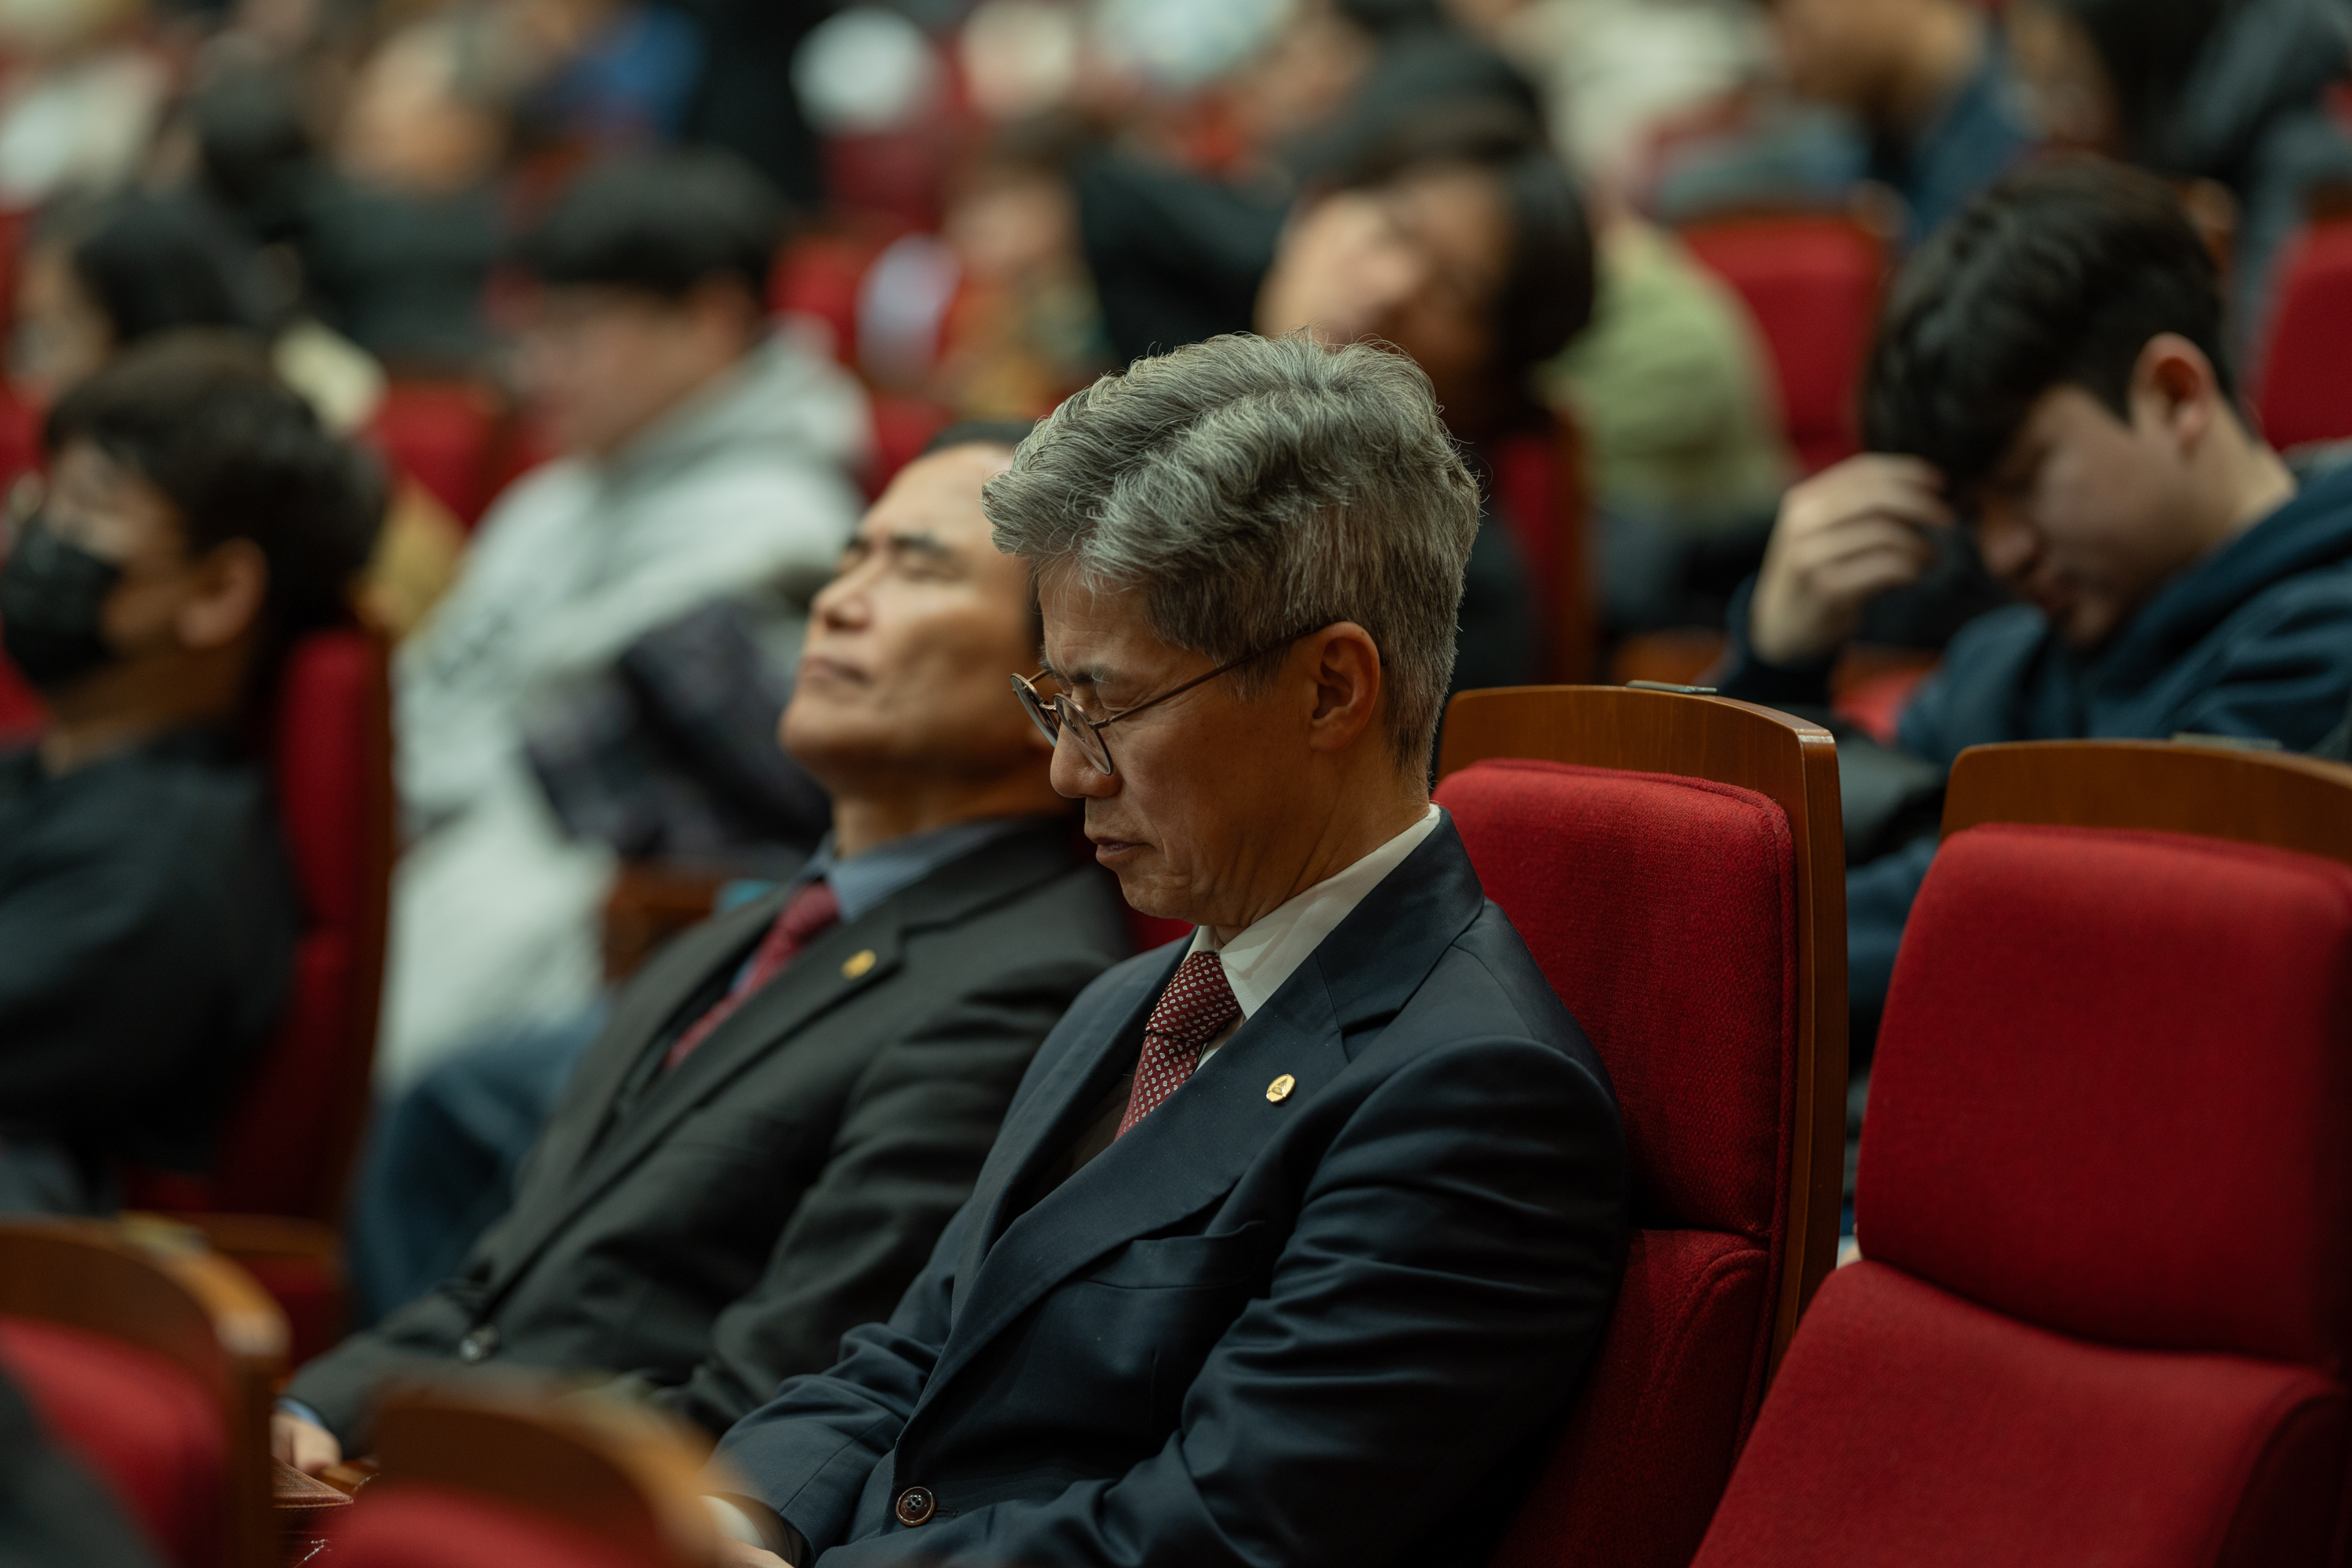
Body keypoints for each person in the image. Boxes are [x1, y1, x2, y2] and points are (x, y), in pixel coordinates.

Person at [703, 333, 1628, 1568]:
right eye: (1053, 701)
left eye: (1110, 708)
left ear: (1329, 692)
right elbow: (917, 1350)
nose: (1064, 769)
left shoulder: (1475, 1098)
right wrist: (726, 1520)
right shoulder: (1135, 999)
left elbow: (1207, 1537)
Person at [274, 423, 1131, 1470]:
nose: (838, 602)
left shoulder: (1025, 986)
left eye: (919, 569)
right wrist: (312, 1415)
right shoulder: (739, 933)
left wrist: (415, 1480)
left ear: (1056, 682)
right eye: (848, 558)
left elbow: (780, 1397)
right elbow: (489, 1293)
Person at [1716, 161, 2352, 1054]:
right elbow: (1782, 880)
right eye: (1974, 511)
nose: (2004, 549)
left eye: (2024, 481)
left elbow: (2041, 937)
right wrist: (1778, 661)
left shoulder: (2327, 636)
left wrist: (1725, 946)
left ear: (2176, 395)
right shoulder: (2007, 659)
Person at [383, 147, 869, 1087]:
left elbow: (546, 766)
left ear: (711, 322)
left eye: (569, 331)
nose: (533, 370)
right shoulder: (563, 491)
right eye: (527, 334)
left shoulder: (779, 529)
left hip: (573, 917)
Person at [0, 337, 384, 1212]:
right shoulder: (46, 771)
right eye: (43, 499)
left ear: (216, 591)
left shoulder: (158, 872)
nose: (34, 541)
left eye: (89, 510)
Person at [1254, 108, 1594, 690]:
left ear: (1494, 384)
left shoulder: (1453, 596)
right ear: (1318, 206)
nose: (1390, 287)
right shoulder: (1136, 417)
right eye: (1393, 229)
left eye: (1458, 291)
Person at [2006, 0, 2352, 349]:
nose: (2050, 122)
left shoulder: (2299, 162)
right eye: (2033, 86)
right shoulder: (2140, 156)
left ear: (2140, 59)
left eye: (2071, 88)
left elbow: (2258, 367)